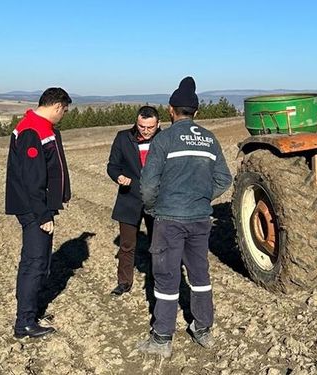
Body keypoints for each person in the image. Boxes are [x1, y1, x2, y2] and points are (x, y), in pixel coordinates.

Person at [138, 76, 231, 358]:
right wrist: (202, 197)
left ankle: (162, 338)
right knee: (200, 273)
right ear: (197, 112)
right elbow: (224, 178)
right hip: (201, 218)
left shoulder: (164, 139)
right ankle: (203, 330)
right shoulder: (209, 139)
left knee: (166, 277)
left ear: (170, 109)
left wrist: (155, 207)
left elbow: (148, 184)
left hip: (169, 218)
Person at [5, 87, 72, 339]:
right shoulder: (34, 129)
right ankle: (24, 323)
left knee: (38, 262)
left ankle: (30, 312)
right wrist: (43, 215)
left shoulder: (38, 126)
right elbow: (32, 179)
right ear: (57, 107)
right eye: (64, 111)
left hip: (37, 207)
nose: (63, 116)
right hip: (34, 210)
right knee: (34, 264)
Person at [107, 106, 161, 296]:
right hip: (129, 198)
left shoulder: (165, 140)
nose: (145, 131)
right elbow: (112, 166)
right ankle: (124, 282)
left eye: (150, 127)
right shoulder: (123, 138)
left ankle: (158, 280)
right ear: (136, 123)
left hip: (157, 200)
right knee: (127, 244)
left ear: (158, 124)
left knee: (158, 244)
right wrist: (118, 177)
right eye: (141, 126)